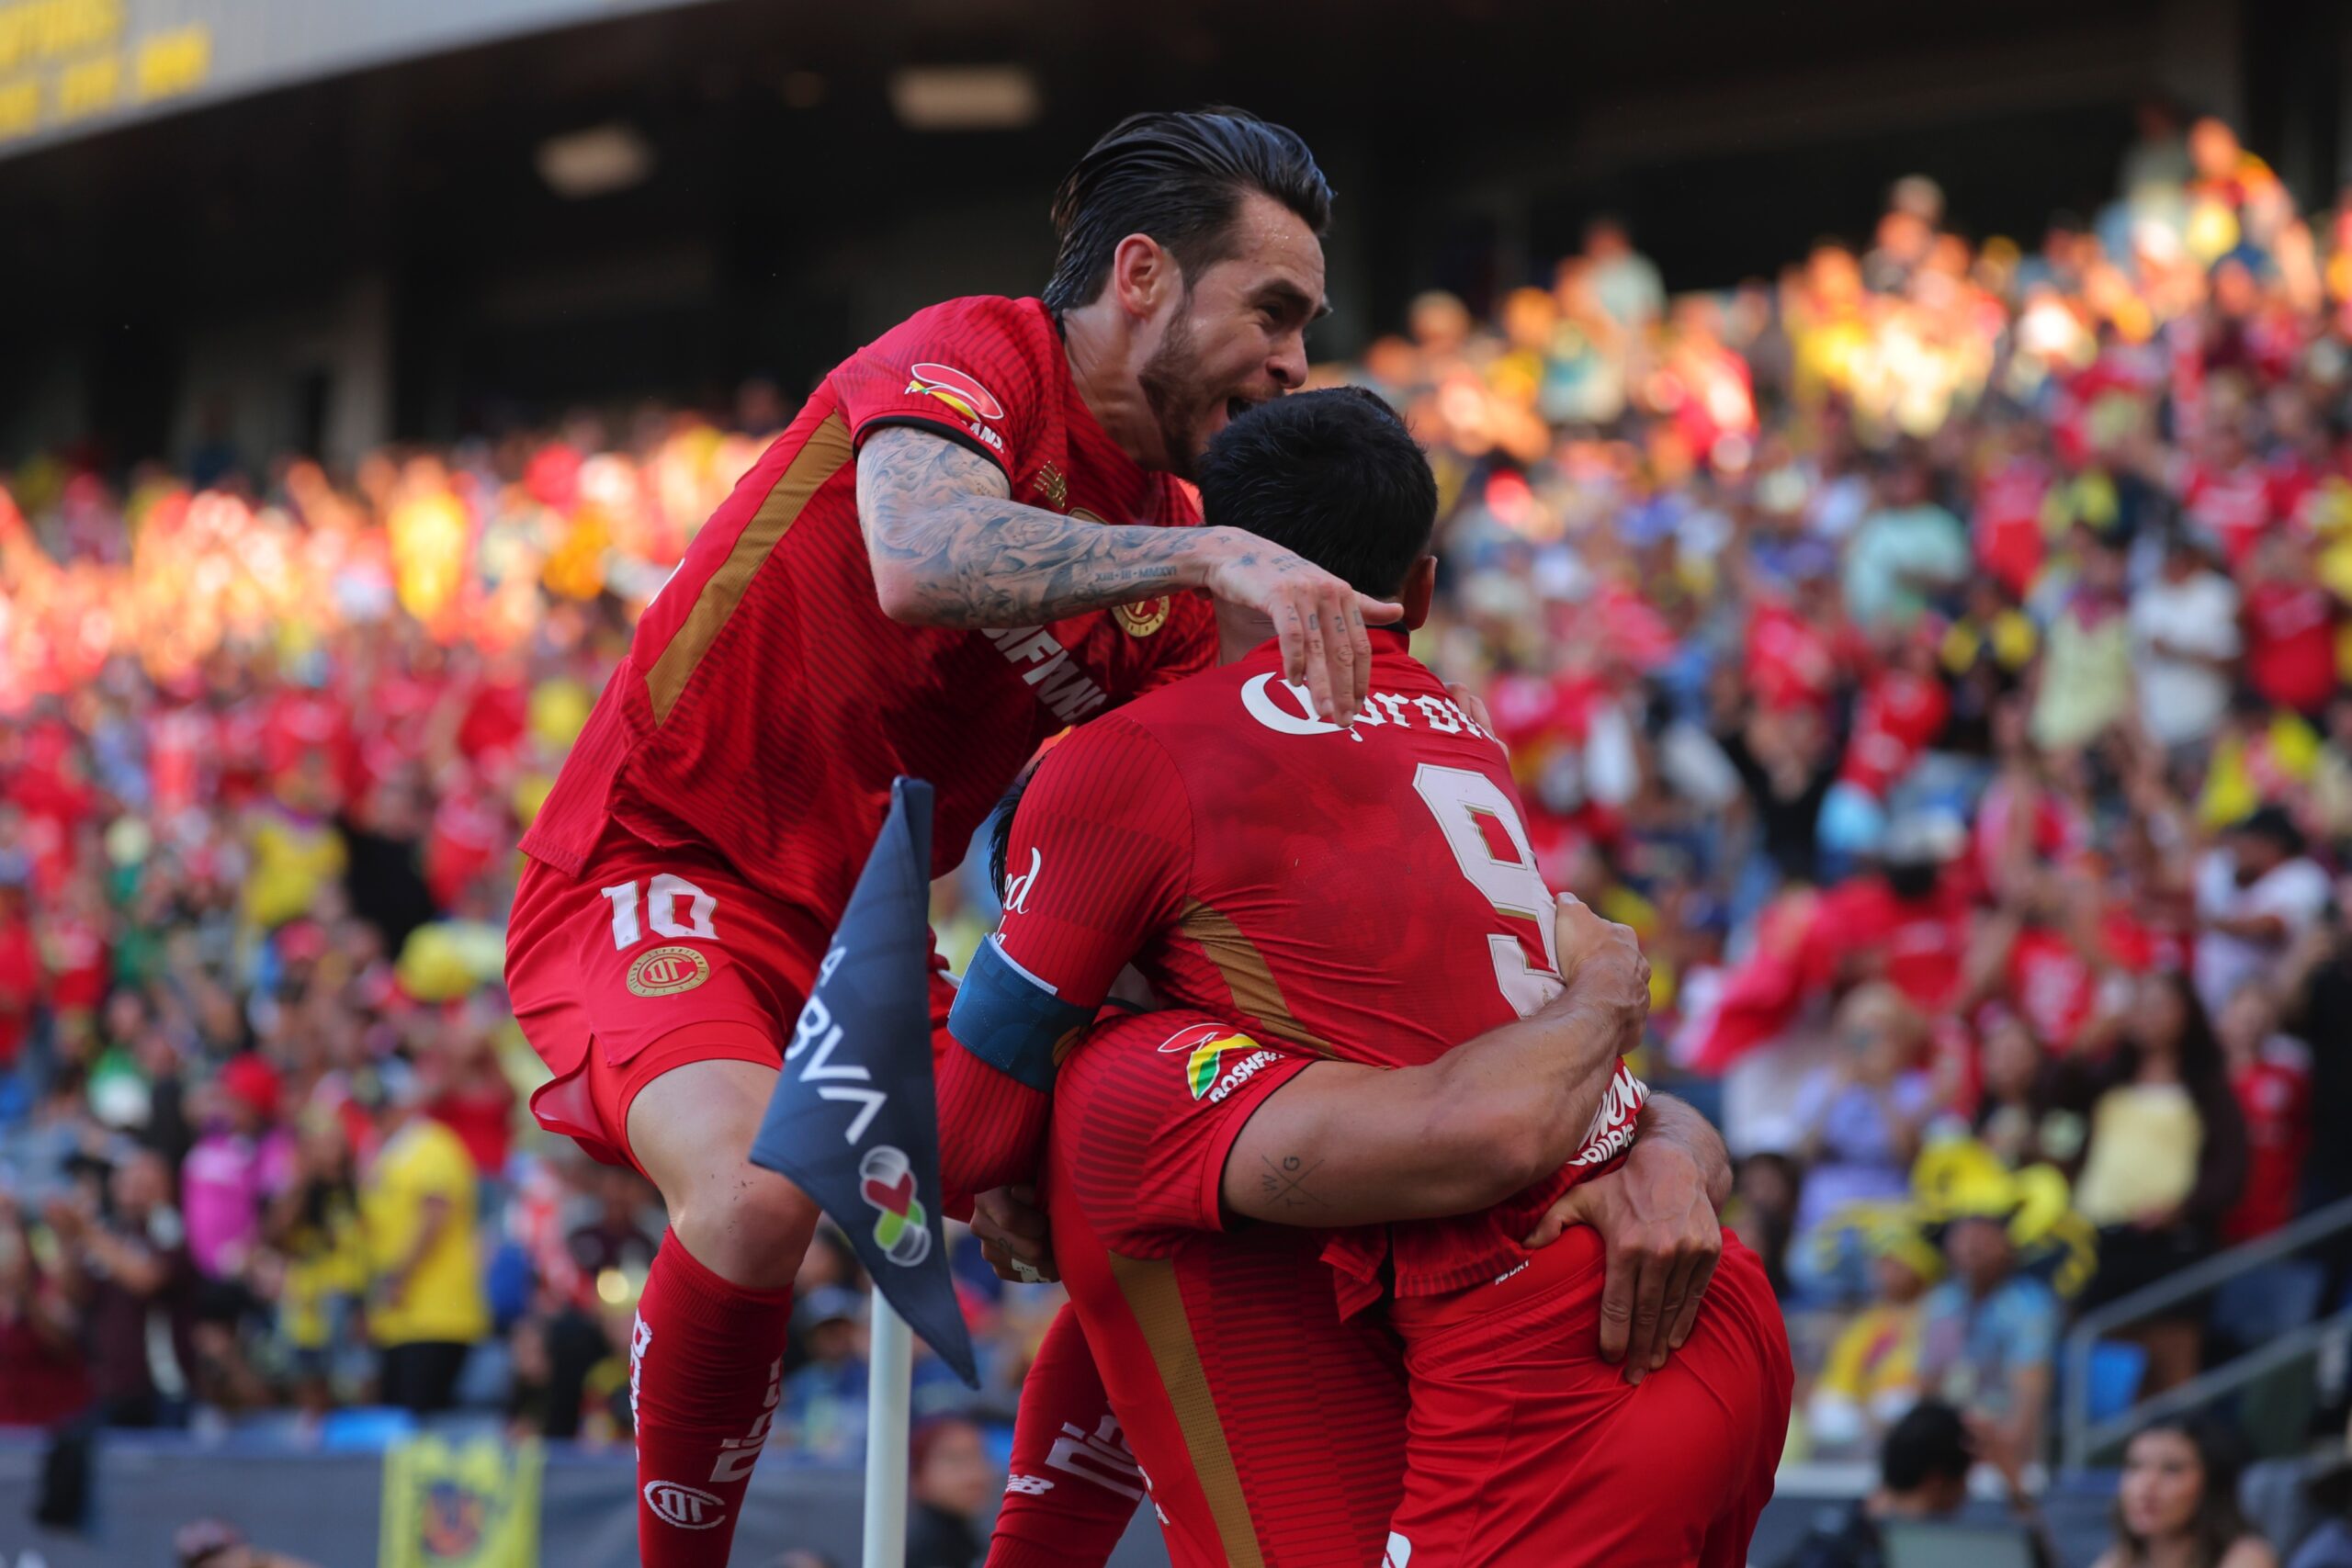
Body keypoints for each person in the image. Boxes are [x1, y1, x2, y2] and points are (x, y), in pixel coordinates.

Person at [503, 107, 1395, 1567]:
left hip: (871, 937)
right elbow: (923, 560)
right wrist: (1204, 545)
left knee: (1165, 1162)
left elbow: (1185, 835)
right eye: (1276, 310)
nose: (1297, 358)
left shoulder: (1171, 565)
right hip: (660, 866)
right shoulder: (977, 356)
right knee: (749, 1188)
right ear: (1146, 276)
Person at [956, 391, 1785, 1565]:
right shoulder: (1452, 727)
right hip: (1690, 1302)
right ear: (1426, 591)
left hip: (1542, 1360)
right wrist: (1668, 1133)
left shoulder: (1133, 1013)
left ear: (1216, 567)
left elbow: (955, 1143)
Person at [2064, 970, 2249, 1393]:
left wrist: (2182, 1209)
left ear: (2188, 1014)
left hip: (2170, 1243)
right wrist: (2089, 1040)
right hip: (2100, 1238)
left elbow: (2230, 1170)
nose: (2148, 1015)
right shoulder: (2108, 1079)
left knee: (2171, 1363)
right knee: (2091, 1350)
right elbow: (2057, 1098)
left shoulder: (2207, 1089)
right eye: (2142, 1005)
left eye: (2161, 1004)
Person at [1776, 1400, 2054, 1568]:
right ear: (1937, 1482)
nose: (1966, 1494)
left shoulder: (1831, 1533)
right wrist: (2015, 1484)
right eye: (1964, 1480)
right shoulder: (1946, 1554)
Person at [361, 1070, 488, 1415]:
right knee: (396, 1421)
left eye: (384, 1108)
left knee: (418, 1421)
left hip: (436, 1314)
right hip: (400, 1318)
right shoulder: (388, 1154)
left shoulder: (431, 1145)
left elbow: (435, 1214)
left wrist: (398, 1275)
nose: (377, 1118)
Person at [1913, 1205, 2062, 1463]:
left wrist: (2010, 1455)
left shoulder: (2031, 1304)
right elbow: (1930, 1380)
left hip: (2003, 1422)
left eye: (1984, 1241)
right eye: (1965, 1240)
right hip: (1953, 1422)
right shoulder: (1941, 1302)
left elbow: (2030, 1388)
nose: (1973, 1249)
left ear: (2008, 1249)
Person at [2094, 1417, 2278, 1568]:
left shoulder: (2248, 1557)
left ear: (2212, 1483)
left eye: (2172, 1469)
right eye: (2135, 1467)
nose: (2146, 1486)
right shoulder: (2120, 1558)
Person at [907, 1416, 997, 1568]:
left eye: (978, 1455)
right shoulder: (924, 1551)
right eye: (955, 1459)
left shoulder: (969, 1541)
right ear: (918, 1475)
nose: (974, 1472)